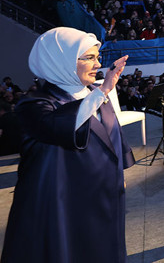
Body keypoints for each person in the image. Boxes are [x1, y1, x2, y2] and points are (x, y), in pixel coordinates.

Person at [1, 27, 133, 263]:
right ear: (60, 61)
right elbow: (59, 128)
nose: (97, 64)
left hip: (102, 197)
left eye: (97, 57)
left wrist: (120, 169)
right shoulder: (34, 104)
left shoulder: (94, 92)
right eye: (89, 58)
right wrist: (103, 91)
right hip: (62, 204)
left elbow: (112, 132)